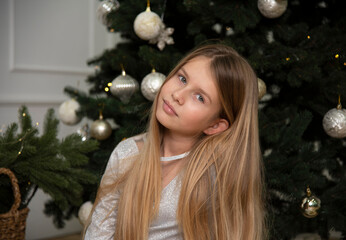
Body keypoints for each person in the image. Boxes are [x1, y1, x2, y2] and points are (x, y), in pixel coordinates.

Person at [84, 44, 266, 240]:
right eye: (182, 78)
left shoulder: (217, 174)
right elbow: (98, 234)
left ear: (215, 125)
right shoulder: (127, 153)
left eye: (199, 97)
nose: (178, 95)